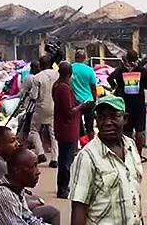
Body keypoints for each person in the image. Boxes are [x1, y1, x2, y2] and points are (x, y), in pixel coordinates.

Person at [69, 96, 143, 225]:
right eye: (102, 117)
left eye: (114, 116)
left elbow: (135, 196)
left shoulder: (131, 145)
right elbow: (79, 207)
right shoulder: (87, 157)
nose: (108, 122)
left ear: (125, 119)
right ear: (96, 120)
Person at [53, 62, 88, 199]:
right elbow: (68, 111)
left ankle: (63, 187)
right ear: (70, 73)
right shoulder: (64, 88)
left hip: (64, 127)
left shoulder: (58, 86)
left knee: (64, 159)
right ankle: (62, 189)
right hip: (67, 128)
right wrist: (81, 106)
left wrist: (77, 104)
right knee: (66, 161)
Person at [108, 49, 147, 162]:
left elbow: (109, 78)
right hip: (139, 104)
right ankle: (139, 156)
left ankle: (128, 155)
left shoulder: (121, 70)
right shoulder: (142, 70)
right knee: (139, 131)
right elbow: (146, 85)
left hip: (125, 103)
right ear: (136, 58)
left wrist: (116, 88)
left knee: (127, 131)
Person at [31, 55, 60, 168]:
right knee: (53, 134)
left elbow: (34, 96)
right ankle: (54, 159)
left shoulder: (37, 77)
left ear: (40, 65)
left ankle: (41, 153)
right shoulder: (57, 74)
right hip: (54, 106)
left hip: (41, 107)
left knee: (34, 130)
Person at [71, 49, 98, 140]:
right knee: (89, 126)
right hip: (88, 100)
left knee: (75, 126)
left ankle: (76, 146)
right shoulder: (89, 70)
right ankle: (91, 145)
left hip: (75, 102)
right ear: (84, 58)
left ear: (75, 57)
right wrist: (94, 99)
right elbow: (93, 87)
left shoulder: (70, 68)